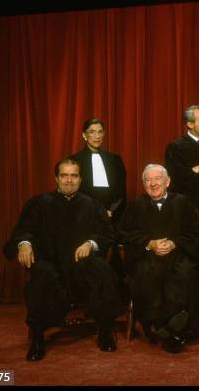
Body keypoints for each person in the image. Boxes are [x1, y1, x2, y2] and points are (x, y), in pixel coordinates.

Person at [3, 159, 125, 361]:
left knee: (103, 270)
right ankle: (37, 337)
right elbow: (24, 230)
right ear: (56, 178)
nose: (69, 180)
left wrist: (91, 243)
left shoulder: (92, 205)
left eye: (74, 175)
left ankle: (104, 330)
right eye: (64, 175)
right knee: (41, 274)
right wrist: (24, 243)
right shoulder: (40, 203)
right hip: (49, 261)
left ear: (80, 179)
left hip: (81, 263)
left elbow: (106, 234)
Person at [116, 164, 199, 354]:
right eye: (148, 180)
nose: (153, 183)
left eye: (157, 179)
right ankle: (166, 327)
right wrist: (150, 243)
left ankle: (168, 328)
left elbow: (196, 233)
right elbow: (124, 235)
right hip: (146, 256)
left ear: (168, 181)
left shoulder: (183, 202)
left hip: (179, 255)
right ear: (143, 184)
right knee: (145, 273)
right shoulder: (135, 205)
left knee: (186, 274)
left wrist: (174, 243)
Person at [69, 118, 128, 299]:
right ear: (84, 135)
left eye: (100, 132)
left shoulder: (114, 159)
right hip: (85, 217)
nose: (97, 136)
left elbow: (121, 191)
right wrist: (97, 212)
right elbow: (76, 192)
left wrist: (110, 211)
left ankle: (116, 296)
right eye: (92, 132)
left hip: (113, 215)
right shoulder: (75, 161)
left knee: (120, 248)